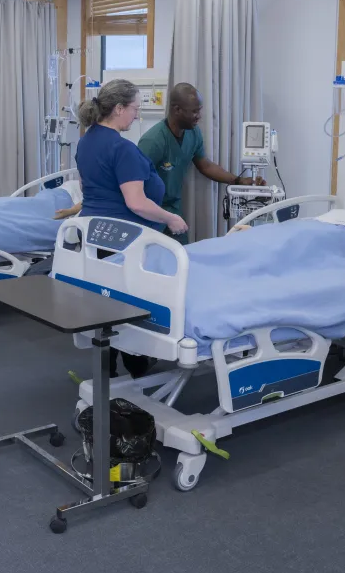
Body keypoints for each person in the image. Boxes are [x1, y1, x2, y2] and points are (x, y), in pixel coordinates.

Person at [75, 79, 186, 378]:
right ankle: (137, 362)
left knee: (105, 301)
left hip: (94, 234)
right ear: (120, 108)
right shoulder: (121, 148)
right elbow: (136, 202)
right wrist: (171, 218)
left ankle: (108, 368)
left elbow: (89, 189)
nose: (137, 115)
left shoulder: (87, 140)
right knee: (129, 301)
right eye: (136, 108)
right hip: (124, 238)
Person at [137, 83, 263, 244]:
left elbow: (205, 165)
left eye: (200, 110)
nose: (199, 116)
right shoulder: (152, 141)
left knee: (181, 255)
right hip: (151, 212)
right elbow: (135, 185)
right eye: (195, 111)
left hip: (173, 209)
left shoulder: (193, 133)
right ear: (177, 110)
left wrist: (239, 180)